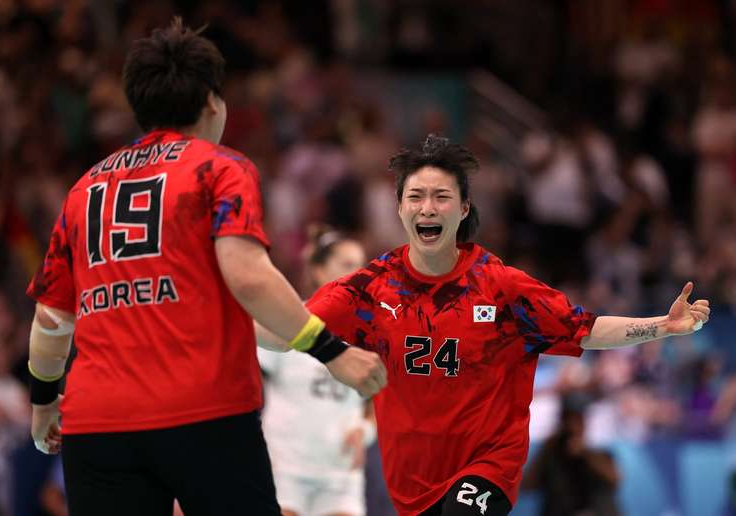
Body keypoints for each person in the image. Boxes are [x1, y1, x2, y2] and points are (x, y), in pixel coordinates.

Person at [24, 18, 386, 516]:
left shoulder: (83, 190)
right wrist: (332, 351)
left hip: (97, 425)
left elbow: (51, 320)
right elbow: (249, 276)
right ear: (213, 103)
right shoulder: (220, 168)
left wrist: (44, 404)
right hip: (205, 418)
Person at [264, 134, 711, 516]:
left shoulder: (501, 287)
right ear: (399, 207)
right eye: (416, 196)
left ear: (463, 209)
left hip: (487, 466)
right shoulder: (371, 289)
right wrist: (236, 313)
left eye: (442, 197)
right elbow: (288, 330)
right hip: (412, 482)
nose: (428, 208)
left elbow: (584, 329)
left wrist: (662, 326)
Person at [258, 227, 375, 516]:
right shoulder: (288, 320)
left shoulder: (372, 331)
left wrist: (366, 430)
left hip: (340, 473)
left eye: (361, 266)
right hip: (285, 468)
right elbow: (249, 389)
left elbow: (378, 397)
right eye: (347, 266)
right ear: (319, 271)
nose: (357, 274)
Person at [521, 395, 621, 516]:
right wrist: (547, 451)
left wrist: (585, 453)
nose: (573, 426)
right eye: (568, 419)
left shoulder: (598, 450)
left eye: (578, 419)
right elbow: (527, 486)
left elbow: (614, 480)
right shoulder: (551, 450)